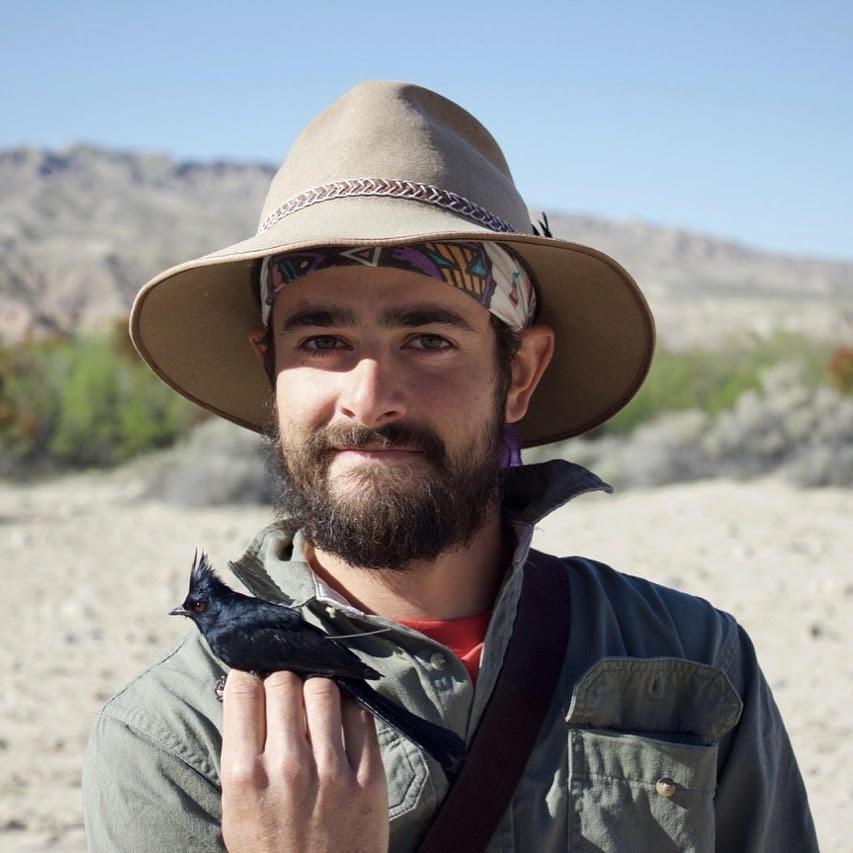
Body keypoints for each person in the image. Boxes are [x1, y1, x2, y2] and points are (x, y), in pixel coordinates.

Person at [82, 81, 818, 852]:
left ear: (521, 373)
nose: (368, 400)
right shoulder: (178, 740)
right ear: (271, 370)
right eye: (321, 341)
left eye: (427, 339)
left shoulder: (687, 659)